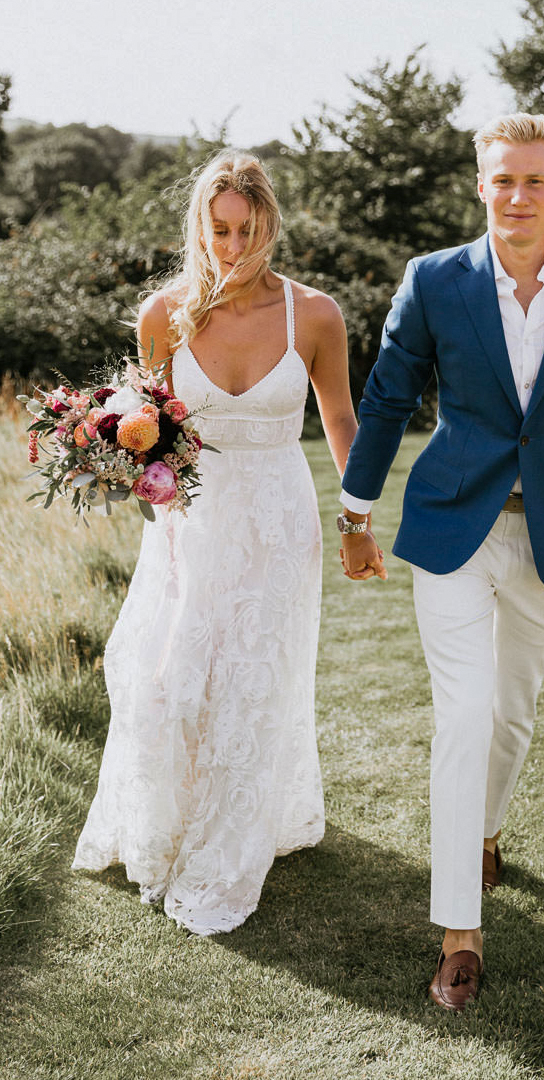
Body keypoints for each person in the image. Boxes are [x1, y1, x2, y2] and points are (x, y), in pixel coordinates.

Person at [338, 113, 544, 1008]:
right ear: (480, 186)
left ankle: (483, 832)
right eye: (500, 181)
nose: (516, 196)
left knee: (512, 716)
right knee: (466, 713)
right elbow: (389, 393)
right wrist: (355, 512)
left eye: (533, 180)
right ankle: (458, 932)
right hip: (453, 527)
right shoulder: (434, 280)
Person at [72, 150, 371, 935]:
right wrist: (118, 462)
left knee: (254, 681)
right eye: (219, 230)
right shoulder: (162, 313)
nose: (234, 246)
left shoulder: (316, 315)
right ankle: (166, 822)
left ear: (269, 223)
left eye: (248, 229)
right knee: (170, 678)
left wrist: (358, 518)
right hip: (191, 518)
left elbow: (341, 420)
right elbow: (150, 429)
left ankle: (235, 840)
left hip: (278, 516)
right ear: (199, 227)